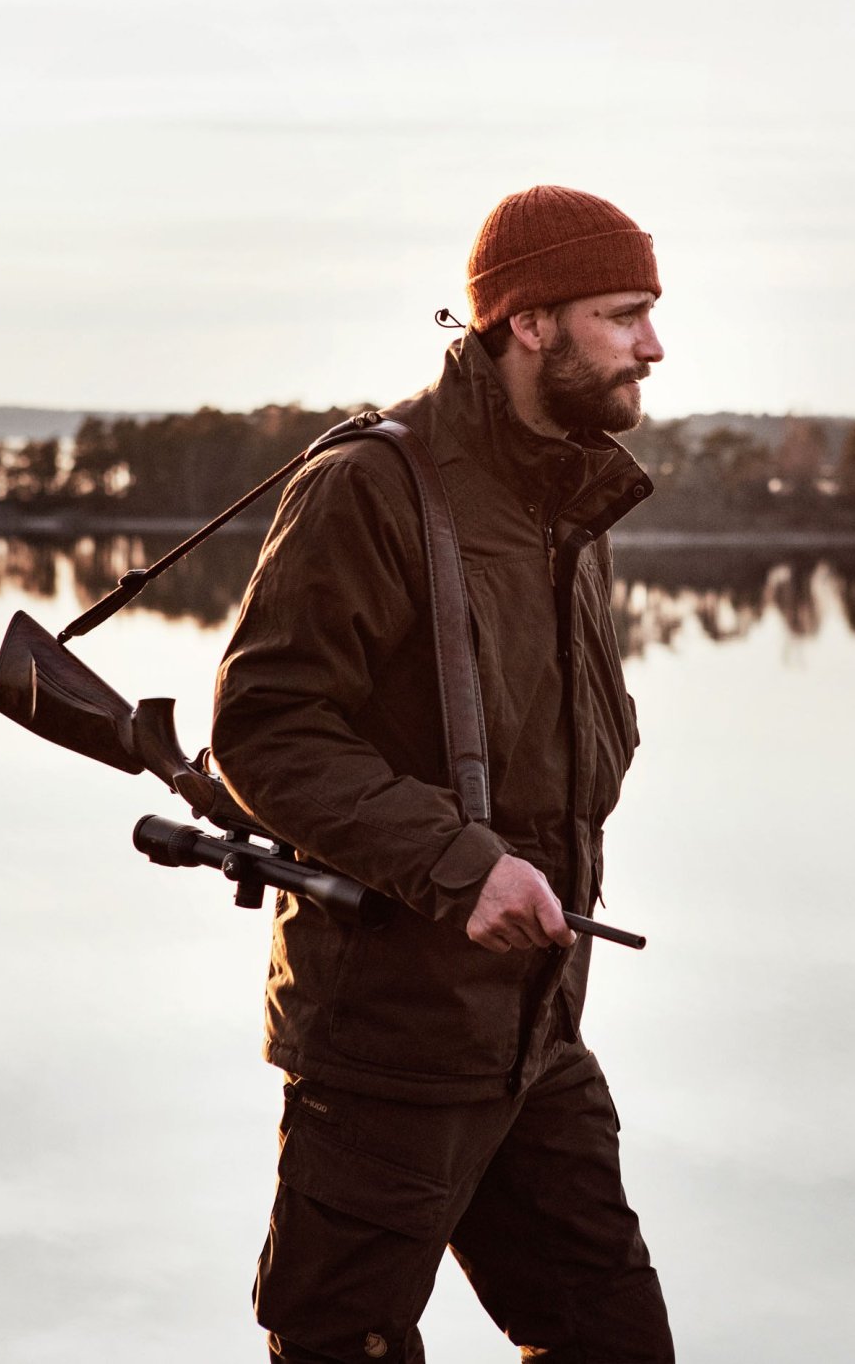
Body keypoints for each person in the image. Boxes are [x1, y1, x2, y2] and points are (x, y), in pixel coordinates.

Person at [211, 184, 674, 1363]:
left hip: (538, 1032)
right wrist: (464, 865)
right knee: (343, 1345)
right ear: (530, 321)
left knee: (613, 1338)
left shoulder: (567, 498)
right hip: (388, 1043)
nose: (652, 346)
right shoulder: (370, 484)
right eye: (623, 314)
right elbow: (268, 726)